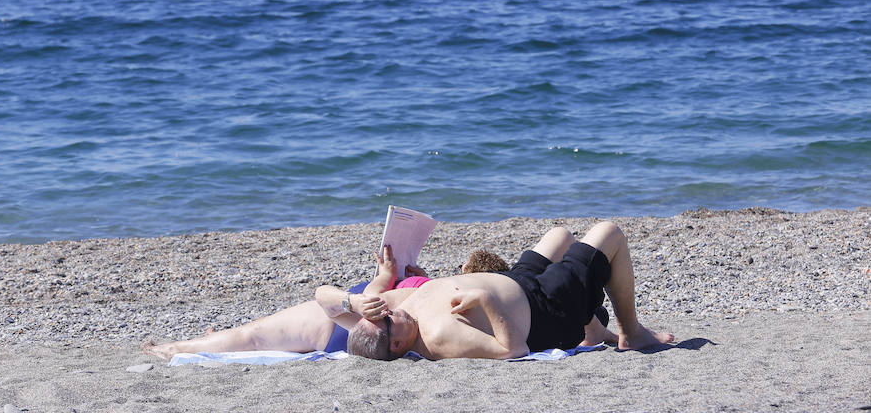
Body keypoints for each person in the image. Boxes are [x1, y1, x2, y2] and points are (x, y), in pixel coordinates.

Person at [326, 222, 673, 360]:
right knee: (609, 232)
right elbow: (513, 350)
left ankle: (594, 330)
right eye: (385, 320)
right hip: (545, 308)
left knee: (560, 234)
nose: (387, 311)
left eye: (381, 311)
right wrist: (485, 299)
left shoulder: (405, 313)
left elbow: (322, 298)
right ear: (398, 345)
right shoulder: (438, 336)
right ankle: (631, 333)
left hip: (521, 281)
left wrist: (354, 300)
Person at [141, 246, 526, 360]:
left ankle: (178, 349)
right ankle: (213, 341)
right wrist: (387, 271)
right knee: (253, 333)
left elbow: (327, 296)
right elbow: (381, 289)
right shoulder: (432, 285)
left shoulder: (432, 295)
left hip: (344, 325)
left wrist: (358, 301)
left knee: (254, 335)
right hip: (356, 311)